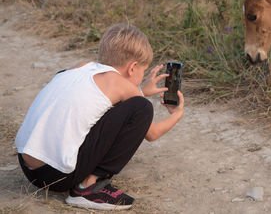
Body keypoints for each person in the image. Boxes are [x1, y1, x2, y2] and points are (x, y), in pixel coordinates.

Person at [14, 23, 184, 210]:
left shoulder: (82, 67)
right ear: (133, 67)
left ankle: (78, 175)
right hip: (56, 177)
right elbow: (150, 133)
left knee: (107, 106)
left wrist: (140, 90)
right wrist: (176, 114)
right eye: (143, 71)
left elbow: (100, 101)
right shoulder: (120, 84)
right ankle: (88, 188)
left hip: (28, 167)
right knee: (142, 108)